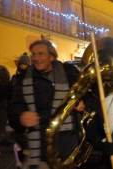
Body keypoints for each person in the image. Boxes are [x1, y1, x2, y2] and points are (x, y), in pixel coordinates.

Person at [8, 40, 84, 169]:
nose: (36, 58)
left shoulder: (69, 73)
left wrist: (82, 104)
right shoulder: (24, 78)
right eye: (34, 54)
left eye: (41, 54)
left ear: (51, 56)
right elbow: (13, 107)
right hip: (39, 143)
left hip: (66, 142)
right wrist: (21, 115)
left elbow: (86, 95)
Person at [0, 65, 10, 144]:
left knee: (2, 120)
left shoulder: (3, 71)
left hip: (2, 100)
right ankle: (1, 137)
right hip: (3, 100)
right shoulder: (4, 71)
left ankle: (1, 137)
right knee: (2, 121)